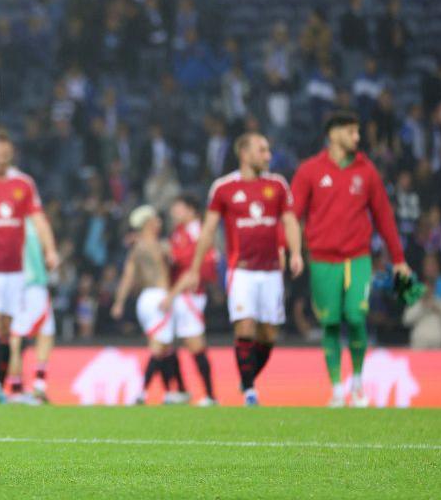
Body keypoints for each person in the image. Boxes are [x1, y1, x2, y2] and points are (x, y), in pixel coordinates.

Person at [290, 112, 410, 407]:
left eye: (358, 132)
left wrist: (398, 259)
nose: (357, 138)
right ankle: (336, 388)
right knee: (330, 324)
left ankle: (357, 382)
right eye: (351, 132)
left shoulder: (366, 171)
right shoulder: (309, 171)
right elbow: (292, 216)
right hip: (322, 259)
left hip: (357, 258)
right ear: (333, 134)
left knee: (356, 317)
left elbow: (384, 216)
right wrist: (290, 249)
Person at [176, 134, 303, 406]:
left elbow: (290, 221)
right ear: (244, 153)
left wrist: (295, 253)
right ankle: (249, 390)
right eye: (262, 150)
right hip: (241, 270)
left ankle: (247, 376)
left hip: (271, 270)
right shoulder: (224, 188)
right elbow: (209, 230)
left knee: (268, 333)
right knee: (245, 326)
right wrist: (195, 269)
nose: (268, 156)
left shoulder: (277, 185)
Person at [0, 132, 58, 403]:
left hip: (16, 269)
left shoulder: (23, 184)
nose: (0, 156)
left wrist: (50, 250)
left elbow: (38, 218)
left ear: (11, 153)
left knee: (6, 327)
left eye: (4, 152)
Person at [111, 206, 186, 405]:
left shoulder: (136, 248)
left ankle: (172, 391)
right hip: (159, 298)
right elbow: (179, 259)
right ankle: (142, 392)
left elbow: (128, 277)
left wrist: (119, 302)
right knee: (158, 347)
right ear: (148, 223)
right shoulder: (159, 245)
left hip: (144, 300)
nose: (159, 223)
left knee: (165, 347)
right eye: (156, 220)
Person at [161, 195, 220, 406]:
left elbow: (195, 271)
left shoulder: (197, 231)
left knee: (194, 343)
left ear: (191, 210)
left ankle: (211, 395)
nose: (174, 212)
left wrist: (171, 295)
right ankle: (182, 391)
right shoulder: (178, 232)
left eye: (178, 207)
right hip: (179, 293)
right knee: (168, 342)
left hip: (189, 295)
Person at [6, 216, 57, 404]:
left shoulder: (10, 218)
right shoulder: (32, 221)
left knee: (44, 332)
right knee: (19, 336)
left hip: (26, 284)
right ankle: (20, 389)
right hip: (30, 285)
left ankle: (33, 387)